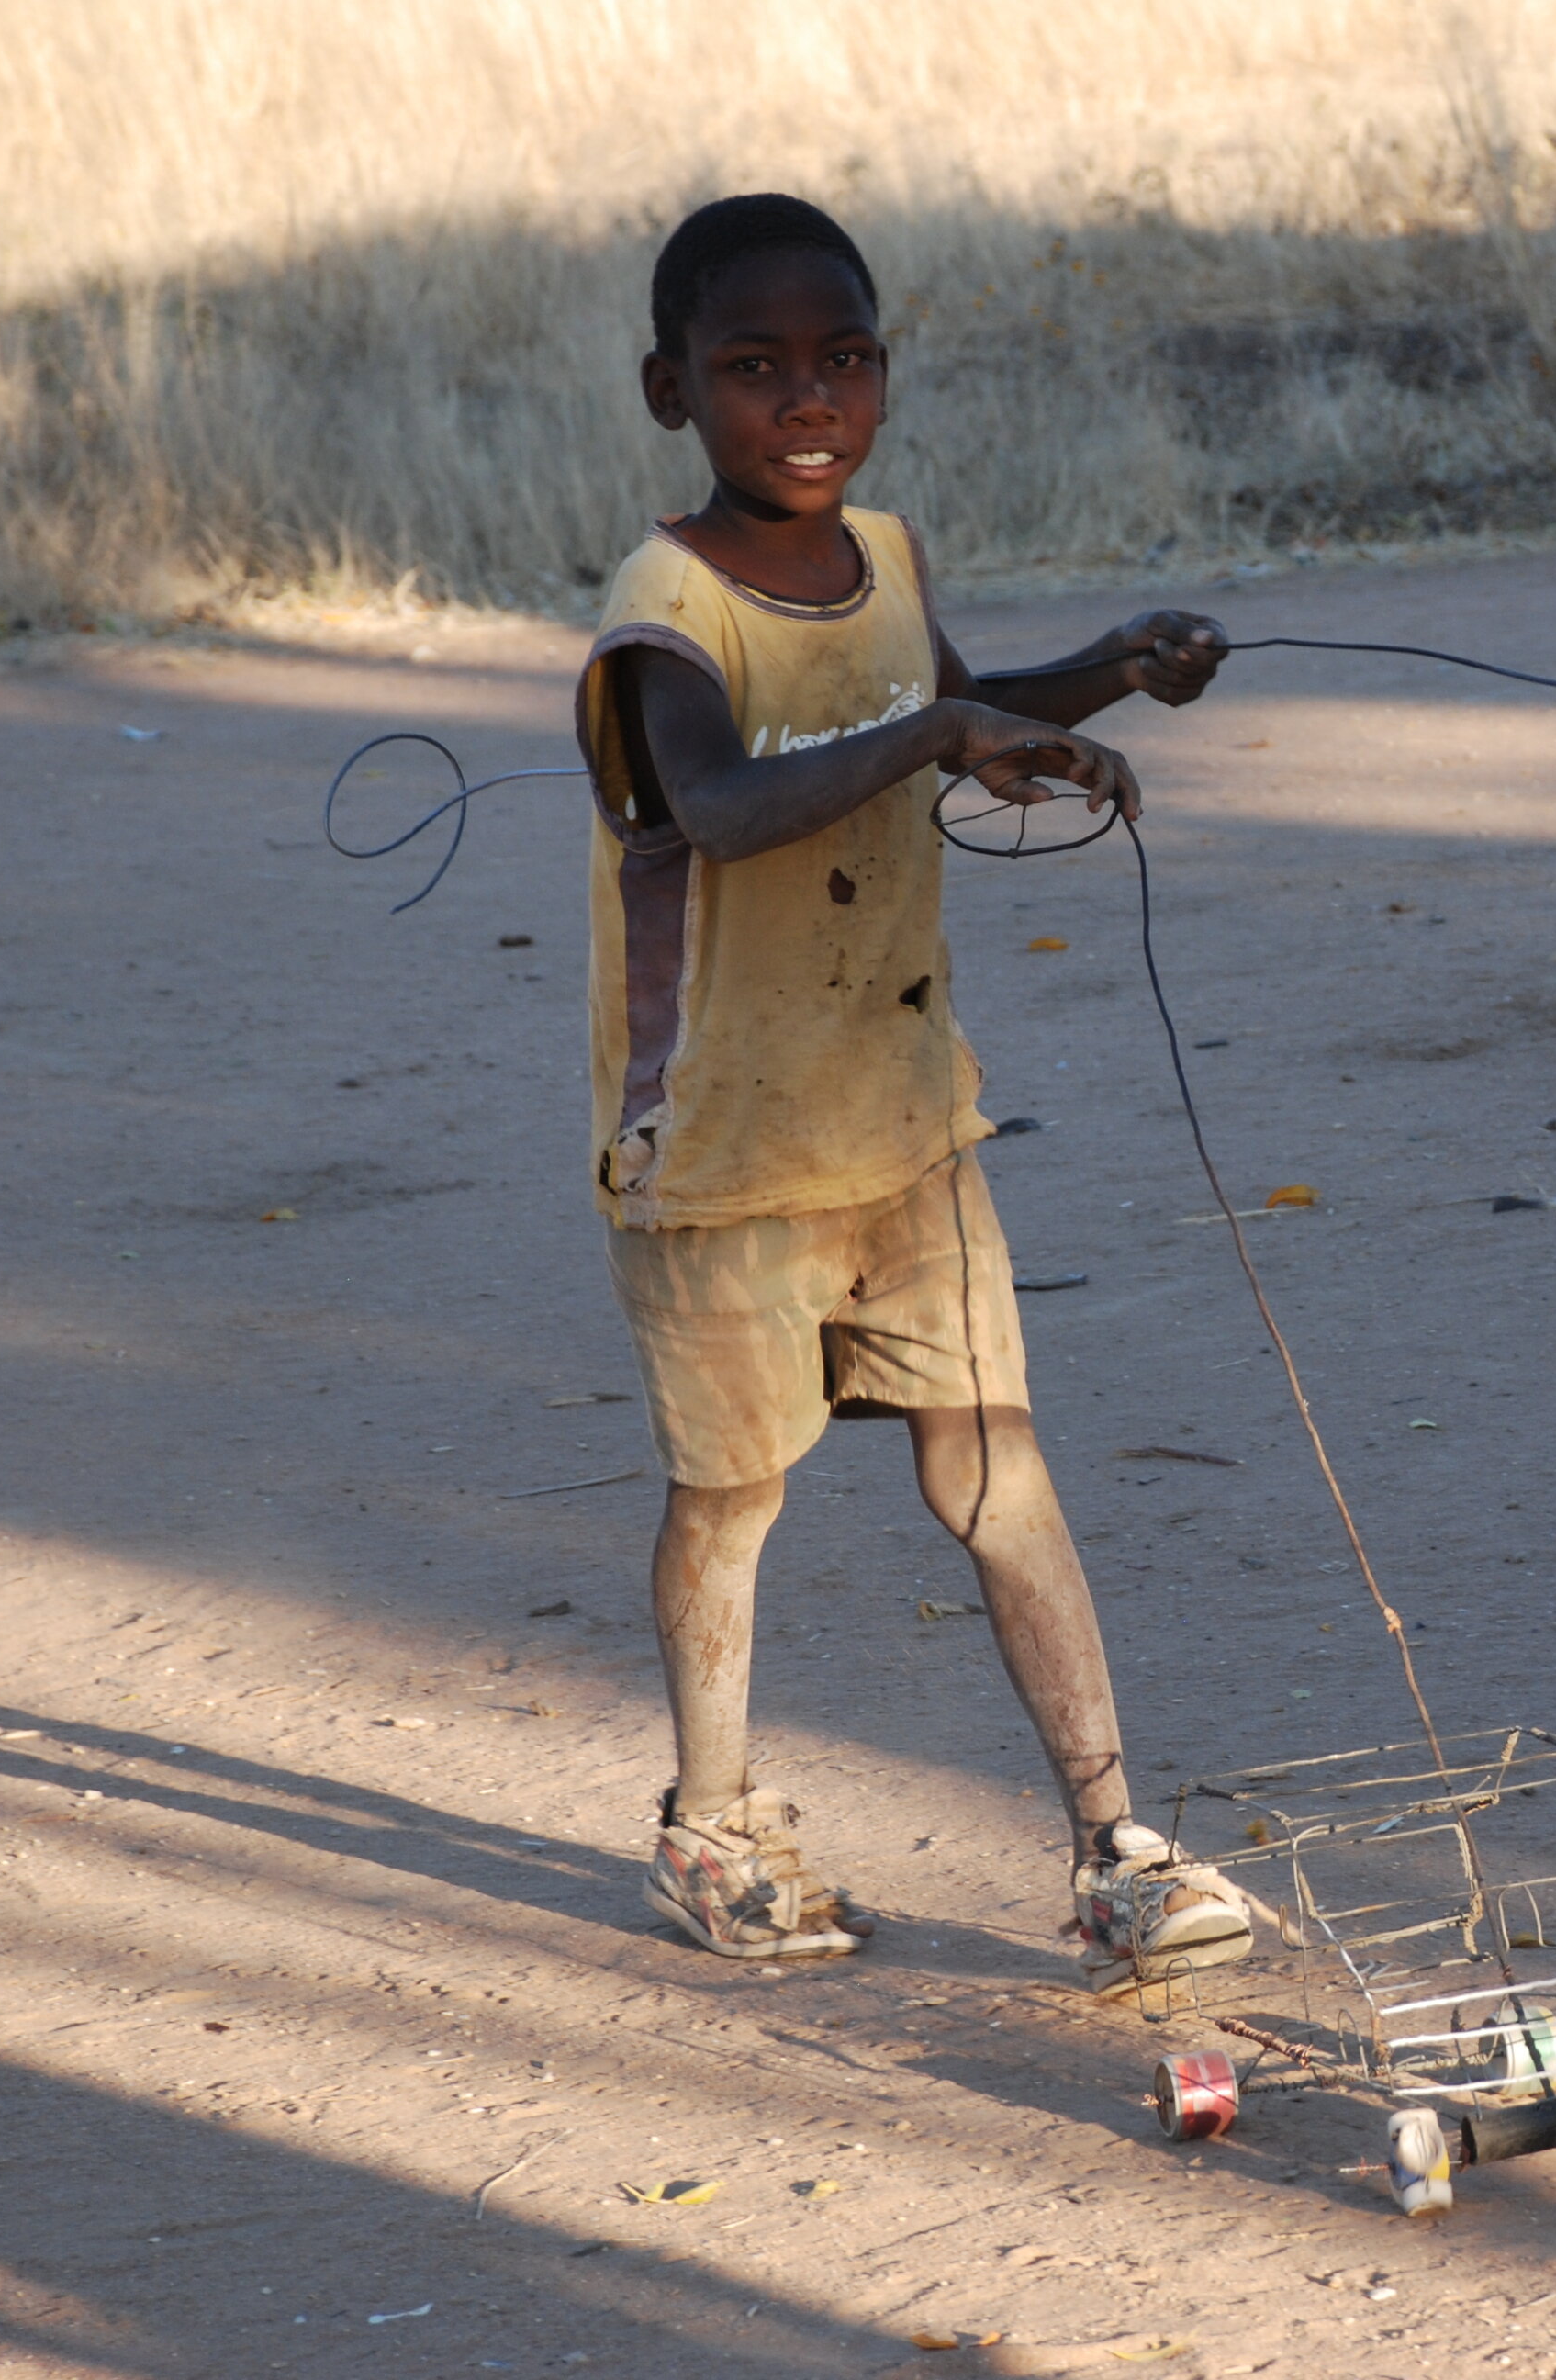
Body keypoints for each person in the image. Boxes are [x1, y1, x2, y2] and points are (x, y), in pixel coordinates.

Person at [574, 191, 1249, 1992]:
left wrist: (1105, 677)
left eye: (844, 359)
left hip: (900, 1118)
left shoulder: (884, 552)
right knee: (732, 1498)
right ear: (671, 390)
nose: (807, 399)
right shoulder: (661, 612)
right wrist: (952, 737)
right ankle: (710, 1830)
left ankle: (1116, 1850)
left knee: (1002, 1471)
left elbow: (945, 705)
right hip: (718, 1149)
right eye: (753, 366)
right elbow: (718, 805)